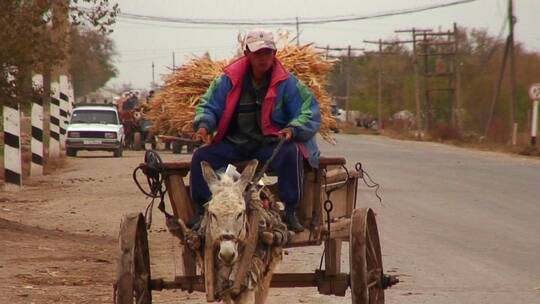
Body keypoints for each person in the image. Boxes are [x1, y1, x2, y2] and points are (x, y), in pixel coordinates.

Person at [190, 29, 321, 232]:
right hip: (236, 143)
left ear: (274, 54)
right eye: (258, 54)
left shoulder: (287, 83)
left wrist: (293, 129)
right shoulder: (228, 80)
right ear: (247, 54)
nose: (263, 58)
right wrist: (204, 126)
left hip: (269, 144)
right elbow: (208, 105)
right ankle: (202, 211)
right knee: (201, 157)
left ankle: (290, 211)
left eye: (268, 53)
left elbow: (309, 111)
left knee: (291, 153)